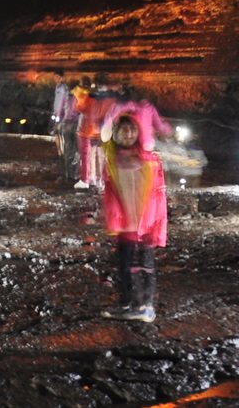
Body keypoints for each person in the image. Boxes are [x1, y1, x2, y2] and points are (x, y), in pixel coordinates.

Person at [98, 99, 172, 323]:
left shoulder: (149, 160)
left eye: (133, 130)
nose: (129, 135)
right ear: (117, 133)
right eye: (124, 130)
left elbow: (158, 197)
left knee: (143, 266)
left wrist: (157, 225)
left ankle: (144, 306)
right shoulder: (113, 156)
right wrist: (115, 112)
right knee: (125, 266)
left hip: (145, 225)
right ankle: (130, 303)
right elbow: (104, 135)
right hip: (124, 225)